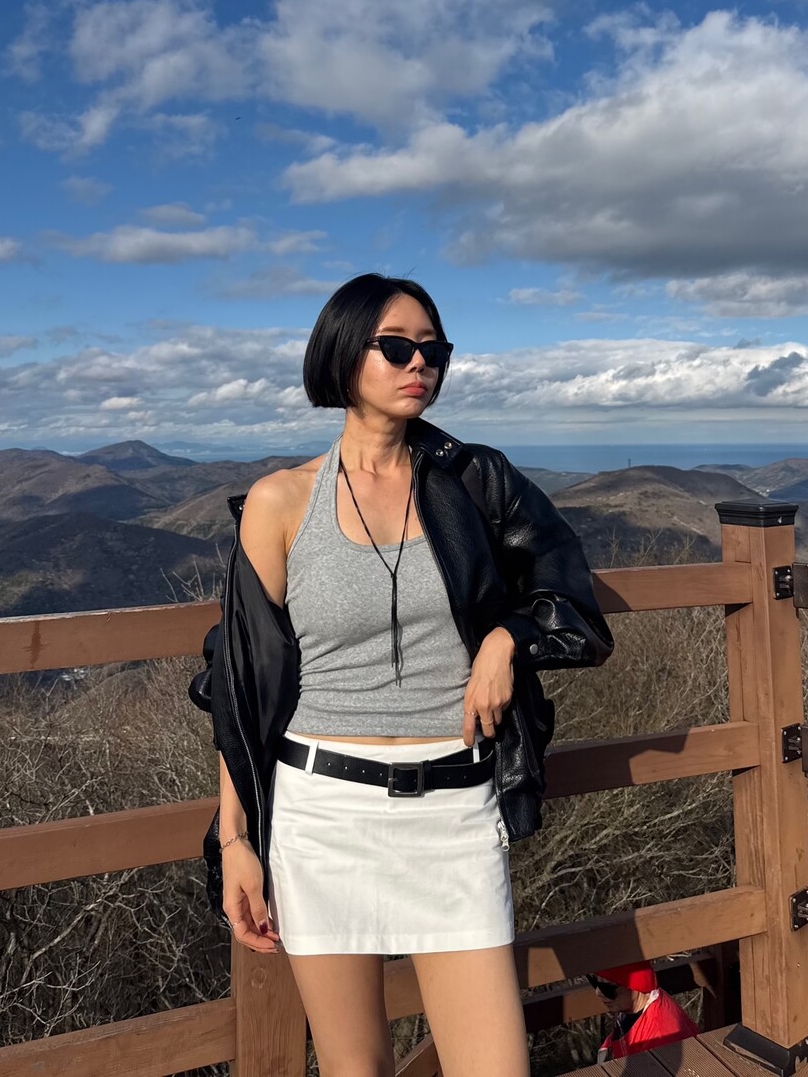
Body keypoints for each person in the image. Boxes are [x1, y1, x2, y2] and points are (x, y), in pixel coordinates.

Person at [189, 273, 613, 1077]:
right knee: (357, 1070)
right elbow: (241, 682)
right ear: (344, 355)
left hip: (455, 811)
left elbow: (569, 593)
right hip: (323, 815)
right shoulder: (281, 502)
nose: (421, 363)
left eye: (433, 349)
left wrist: (507, 640)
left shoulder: (476, 482)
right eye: (396, 347)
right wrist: (235, 839)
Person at [587, 962, 700, 1062]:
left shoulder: (660, 1039)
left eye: (608, 988)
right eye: (594, 982)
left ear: (635, 985)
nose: (598, 993)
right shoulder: (635, 1008)